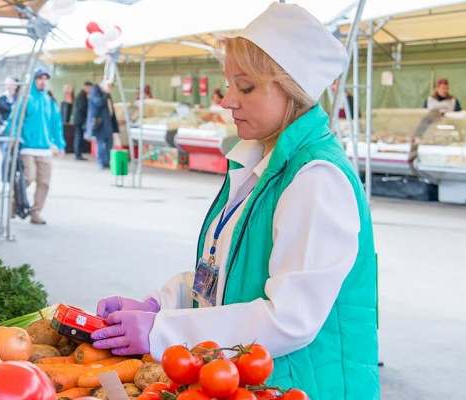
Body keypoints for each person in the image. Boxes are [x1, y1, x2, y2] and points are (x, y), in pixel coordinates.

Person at [91, 4, 378, 399]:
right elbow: (227, 270)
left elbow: (289, 319)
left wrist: (164, 332)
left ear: (292, 91)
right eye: (228, 84)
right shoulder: (260, 159)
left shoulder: (316, 178)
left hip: (306, 385)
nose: (227, 101)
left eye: (245, 87)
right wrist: (160, 305)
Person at [8, 69, 65, 225]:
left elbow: (56, 125)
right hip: (27, 147)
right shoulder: (26, 99)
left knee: (44, 182)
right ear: (34, 80)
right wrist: (12, 137)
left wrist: (60, 145)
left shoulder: (50, 101)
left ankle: (36, 212)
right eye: (39, 78)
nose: (42, 81)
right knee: (28, 177)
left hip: (45, 149)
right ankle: (13, 204)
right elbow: (14, 119)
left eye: (45, 79)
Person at [86, 80, 119, 169]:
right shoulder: (95, 91)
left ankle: (107, 161)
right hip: (100, 123)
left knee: (109, 143)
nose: (110, 89)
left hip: (108, 122)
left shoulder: (107, 93)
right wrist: (105, 93)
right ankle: (101, 162)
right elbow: (98, 103)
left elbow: (111, 108)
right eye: (109, 86)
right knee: (101, 143)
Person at [72, 81, 93, 160]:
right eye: (90, 88)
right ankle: (78, 155)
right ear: (86, 87)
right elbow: (82, 107)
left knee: (79, 136)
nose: (91, 90)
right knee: (79, 137)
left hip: (79, 119)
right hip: (79, 120)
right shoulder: (82, 96)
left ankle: (78, 154)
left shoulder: (83, 95)